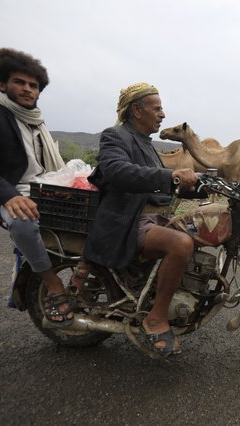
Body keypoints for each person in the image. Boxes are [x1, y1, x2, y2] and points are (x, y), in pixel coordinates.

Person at [0, 48, 73, 326]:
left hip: (44, 189)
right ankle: (53, 282)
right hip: (8, 193)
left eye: (33, 85)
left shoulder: (37, 122)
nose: (27, 89)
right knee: (23, 223)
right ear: (1, 84)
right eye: (19, 82)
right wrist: (7, 195)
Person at [83, 82, 199, 360]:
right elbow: (117, 171)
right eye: (156, 108)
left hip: (153, 215)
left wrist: (197, 185)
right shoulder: (116, 136)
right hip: (128, 220)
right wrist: (170, 177)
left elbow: (154, 183)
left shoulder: (146, 144)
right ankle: (156, 319)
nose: (162, 114)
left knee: (198, 230)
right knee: (181, 244)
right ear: (137, 110)